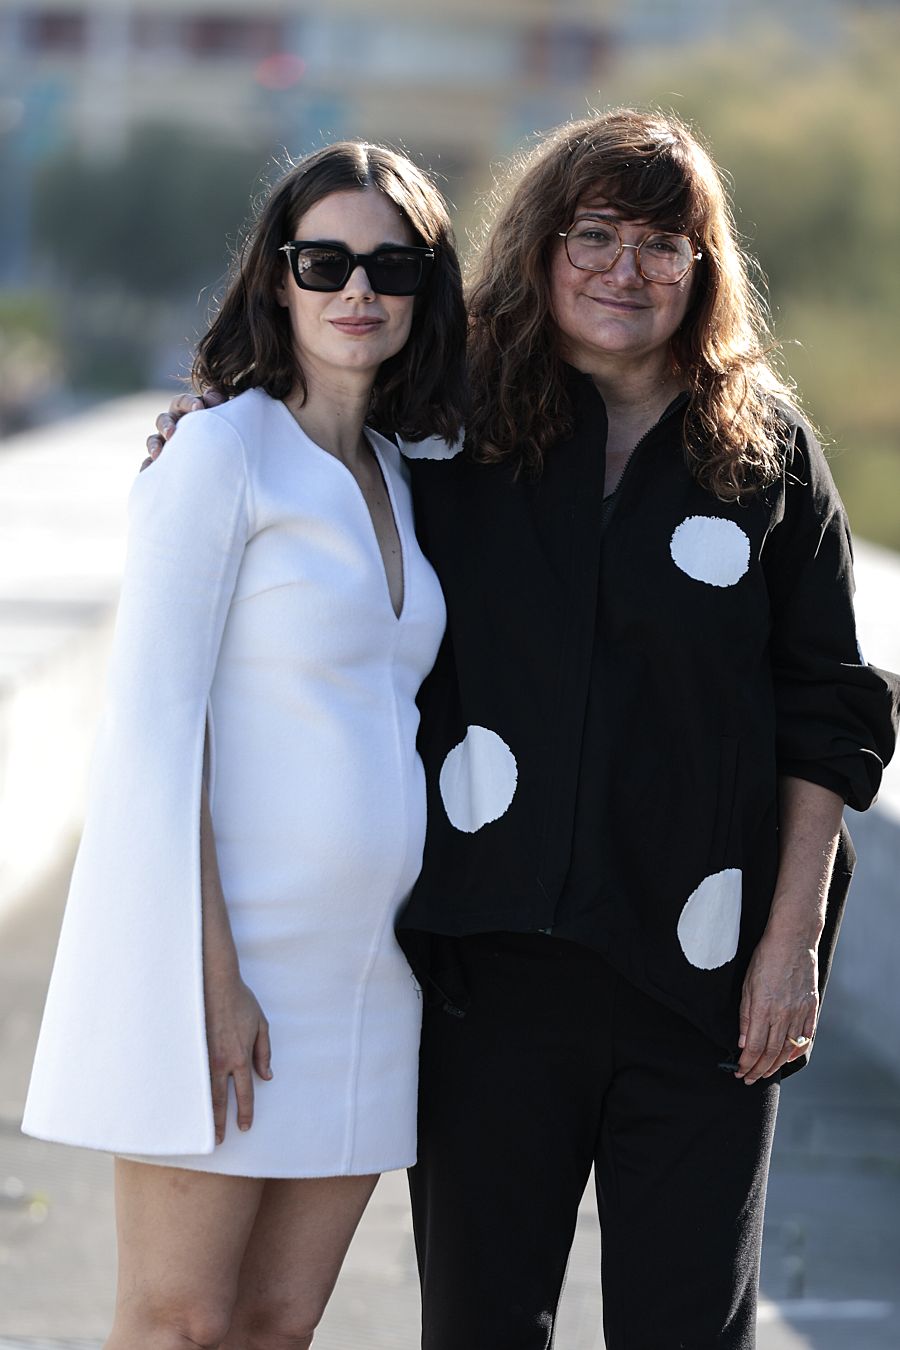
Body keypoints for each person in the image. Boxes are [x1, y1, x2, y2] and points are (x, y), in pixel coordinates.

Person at [147, 110, 899, 1350]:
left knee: (685, 1331)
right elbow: (310, 421)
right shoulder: (447, 428)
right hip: (482, 981)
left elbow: (831, 711)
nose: (625, 269)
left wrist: (790, 945)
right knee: (481, 1329)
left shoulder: (767, 459)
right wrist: (208, 425)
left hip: (704, 990)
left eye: (665, 244)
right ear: (541, 247)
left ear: (705, 272)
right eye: (593, 233)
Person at [23, 140, 466, 1350]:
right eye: (324, 261)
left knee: (275, 1327)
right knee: (177, 1323)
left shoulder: (404, 472)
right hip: (232, 960)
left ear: (428, 288)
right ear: (277, 279)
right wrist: (207, 980)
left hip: (374, 977)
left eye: (391, 265)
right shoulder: (219, 454)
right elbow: (156, 729)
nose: (356, 291)